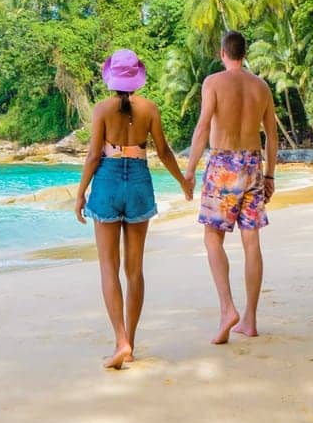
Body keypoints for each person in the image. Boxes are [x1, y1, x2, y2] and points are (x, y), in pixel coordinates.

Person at [75, 48, 194, 369]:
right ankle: (132, 341)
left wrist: (80, 193)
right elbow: (165, 151)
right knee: (135, 269)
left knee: (108, 267)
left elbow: (93, 157)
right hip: (140, 182)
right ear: (137, 79)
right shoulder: (150, 109)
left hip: (108, 184)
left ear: (111, 77)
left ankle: (120, 340)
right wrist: (183, 182)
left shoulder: (101, 110)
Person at [185, 30, 278, 344]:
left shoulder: (213, 83)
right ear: (244, 53)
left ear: (223, 53)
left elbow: (202, 127)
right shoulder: (261, 86)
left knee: (213, 238)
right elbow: (273, 136)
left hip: (223, 165)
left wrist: (189, 170)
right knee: (252, 243)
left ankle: (227, 308)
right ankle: (250, 320)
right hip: (252, 163)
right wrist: (270, 177)